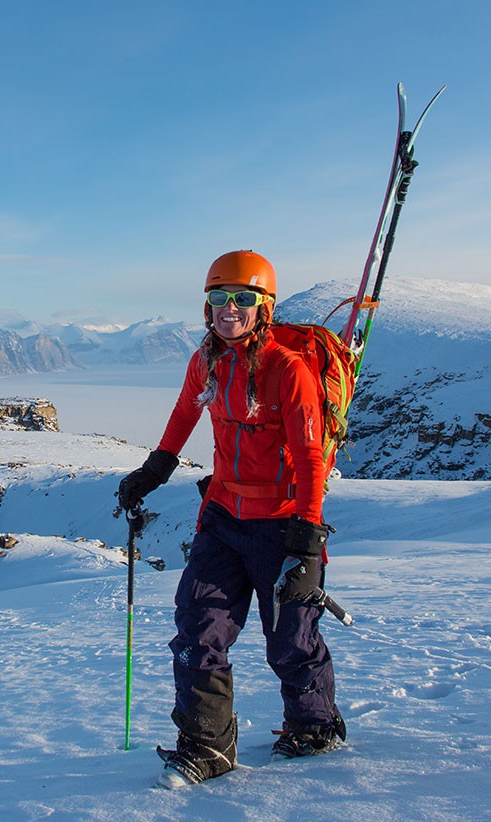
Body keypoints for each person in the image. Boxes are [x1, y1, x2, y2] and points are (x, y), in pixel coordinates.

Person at [117, 249, 346, 788]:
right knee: (198, 627)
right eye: (219, 296)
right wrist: (153, 470)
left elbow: (310, 456)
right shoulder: (207, 361)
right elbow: (183, 414)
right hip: (222, 515)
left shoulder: (287, 370)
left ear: (265, 307)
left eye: (244, 298)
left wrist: (307, 539)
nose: (229, 308)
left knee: (290, 638)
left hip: (282, 522)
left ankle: (315, 727)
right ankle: (207, 747)